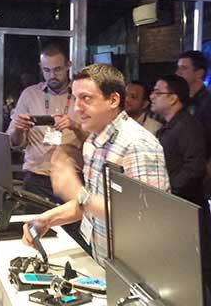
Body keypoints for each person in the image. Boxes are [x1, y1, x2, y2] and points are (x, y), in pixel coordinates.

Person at [22, 63, 169, 266]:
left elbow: (145, 217)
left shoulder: (137, 145)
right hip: (104, 259)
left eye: (86, 98)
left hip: (135, 267)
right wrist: (47, 219)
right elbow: (92, 204)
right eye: (76, 98)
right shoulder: (93, 141)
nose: (77, 107)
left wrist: (77, 192)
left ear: (113, 100)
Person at [7, 42, 86, 206]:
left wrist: (75, 126)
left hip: (72, 179)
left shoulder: (82, 96)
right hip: (36, 179)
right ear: (40, 67)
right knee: (34, 223)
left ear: (68, 65)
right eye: (46, 70)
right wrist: (19, 130)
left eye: (57, 69)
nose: (52, 76)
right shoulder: (30, 95)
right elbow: (13, 142)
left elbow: (96, 141)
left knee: (73, 223)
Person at [150, 75, 205, 205]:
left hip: (184, 205)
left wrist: (169, 190)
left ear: (173, 98)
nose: (152, 96)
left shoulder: (187, 125)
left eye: (158, 93)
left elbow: (195, 167)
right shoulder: (171, 125)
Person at [176, 50, 211, 196]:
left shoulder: (207, 102)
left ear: (199, 73)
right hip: (182, 169)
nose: (178, 72)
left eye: (184, 68)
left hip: (200, 173)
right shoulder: (182, 101)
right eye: (178, 67)